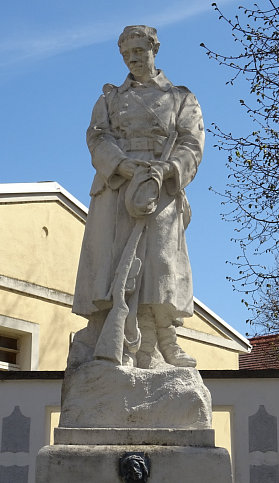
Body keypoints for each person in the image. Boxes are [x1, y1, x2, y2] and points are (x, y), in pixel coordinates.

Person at [71, 25, 204, 369]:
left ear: (154, 50)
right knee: (114, 265)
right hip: (117, 186)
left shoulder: (181, 98)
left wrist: (169, 168)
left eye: (139, 52)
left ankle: (162, 342)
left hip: (160, 187)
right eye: (126, 54)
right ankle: (112, 339)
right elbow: (97, 137)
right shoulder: (110, 99)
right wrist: (120, 164)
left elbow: (192, 143)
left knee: (160, 266)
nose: (132, 59)